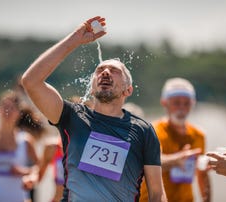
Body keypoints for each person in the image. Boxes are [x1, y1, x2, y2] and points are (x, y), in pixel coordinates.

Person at [21, 16, 166, 201]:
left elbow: (156, 193)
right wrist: (75, 39)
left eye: (114, 71)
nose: (105, 72)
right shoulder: (72, 116)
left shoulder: (143, 130)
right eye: (100, 70)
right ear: (92, 87)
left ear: (127, 90)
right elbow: (31, 82)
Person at [140, 77, 211, 202]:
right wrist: (177, 160)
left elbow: (202, 173)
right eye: (176, 103)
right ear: (164, 103)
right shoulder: (153, 131)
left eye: (186, 103)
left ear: (193, 103)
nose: (182, 108)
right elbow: (148, 162)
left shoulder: (199, 135)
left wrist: (207, 198)